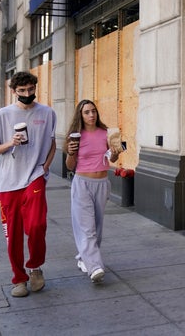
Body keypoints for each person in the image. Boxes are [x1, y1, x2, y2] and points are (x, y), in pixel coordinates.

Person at [0, 71, 56, 298]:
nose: (27, 94)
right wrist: (10, 142)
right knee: (12, 234)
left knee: (36, 225)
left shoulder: (47, 113)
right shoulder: (3, 115)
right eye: (22, 91)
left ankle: (35, 267)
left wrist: (45, 167)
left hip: (34, 176)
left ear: (36, 87)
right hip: (8, 182)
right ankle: (19, 279)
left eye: (31, 89)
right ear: (13, 91)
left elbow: (53, 143)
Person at [64, 99, 122, 283]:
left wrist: (115, 152)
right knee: (87, 228)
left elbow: (111, 158)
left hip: (102, 183)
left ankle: (84, 258)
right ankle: (95, 267)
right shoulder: (75, 136)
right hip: (82, 183)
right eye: (87, 112)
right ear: (80, 115)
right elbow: (70, 166)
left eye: (93, 111)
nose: (91, 115)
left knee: (96, 227)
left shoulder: (105, 133)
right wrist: (71, 152)